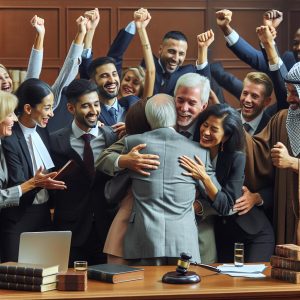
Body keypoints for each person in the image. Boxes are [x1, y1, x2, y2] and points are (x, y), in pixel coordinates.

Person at [119, 93, 218, 265]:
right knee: (184, 291)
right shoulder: (199, 151)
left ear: (149, 118)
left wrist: (122, 160)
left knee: (147, 290)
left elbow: (103, 161)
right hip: (184, 242)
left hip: (145, 240)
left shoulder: (132, 144)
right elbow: (220, 199)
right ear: (174, 116)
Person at [179, 104, 275, 262]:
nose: (206, 132)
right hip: (222, 236)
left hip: (253, 233)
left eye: (214, 129)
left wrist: (205, 178)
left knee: (251, 285)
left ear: (226, 136)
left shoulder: (236, 157)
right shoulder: (191, 148)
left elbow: (227, 205)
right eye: (205, 125)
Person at [50, 79, 118, 266]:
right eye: (86, 106)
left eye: (96, 104)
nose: (94, 111)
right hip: (70, 231)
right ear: (71, 108)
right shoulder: (55, 141)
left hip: (107, 229)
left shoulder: (112, 137)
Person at [0, 79, 66, 262]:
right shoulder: (9, 138)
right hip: (18, 217)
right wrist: (39, 183)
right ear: (28, 109)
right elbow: (17, 181)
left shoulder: (43, 130)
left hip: (44, 215)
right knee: (15, 277)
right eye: (47, 108)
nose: (52, 113)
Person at [244, 61, 300, 246]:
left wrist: (292, 163)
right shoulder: (282, 118)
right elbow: (256, 150)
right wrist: (232, 124)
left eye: (295, 92)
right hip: (285, 211)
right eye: (288, 91)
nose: (290, 98)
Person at [83, 8, 155, 129]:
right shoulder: (91, 107)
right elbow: (87, 66)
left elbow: (151, 72)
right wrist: (89, 31)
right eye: (104, 76)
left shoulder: (135, 104)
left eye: (114, 74)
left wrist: (141, 29)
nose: (112, 80)